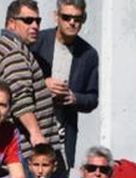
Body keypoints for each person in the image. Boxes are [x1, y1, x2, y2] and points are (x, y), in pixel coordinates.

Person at [0, 1, 62, 167]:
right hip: (30, 150)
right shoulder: (14, 52)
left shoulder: (10, 47)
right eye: (28, 20)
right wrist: (36, 135)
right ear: (12, 23)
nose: (35, 26)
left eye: (38, 21)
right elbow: (20, 98)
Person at [31, 0, 97, 165]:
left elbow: (92, 98)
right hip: (33, 131)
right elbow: (18, 82)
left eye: (77, 18)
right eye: (66, 17)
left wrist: (74, 98)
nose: (72, 22)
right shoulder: (37, 42)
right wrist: (43, 84)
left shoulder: (88, 54)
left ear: (84, 19)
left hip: (63, 136)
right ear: (56, 17)